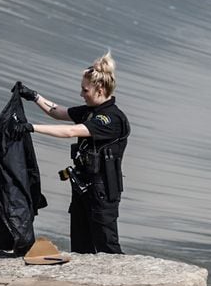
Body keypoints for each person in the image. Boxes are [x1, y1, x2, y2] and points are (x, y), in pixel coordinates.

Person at [15, 52, 130, 254]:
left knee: (107, 247)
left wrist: (31, 127)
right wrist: (34, 96)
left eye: (85, 90)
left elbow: (70, 131)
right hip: (82, 188)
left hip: (103, 193)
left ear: (100, 89)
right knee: (80, 246)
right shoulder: (90, 111)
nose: (81, 94)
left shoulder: (111, 119)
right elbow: (59, 112)